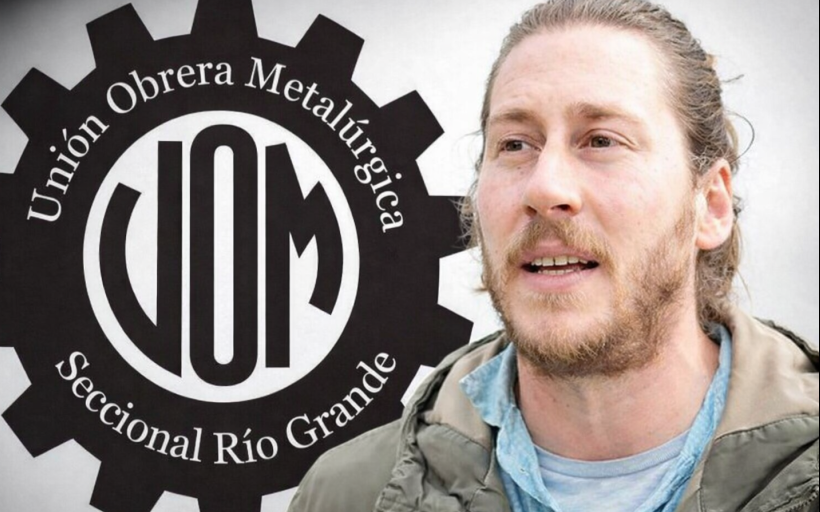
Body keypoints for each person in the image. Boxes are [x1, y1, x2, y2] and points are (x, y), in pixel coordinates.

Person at [287, 0, 819, 510]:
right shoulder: (348, 496)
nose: (544, 188)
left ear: (711, 204)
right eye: (515, 144)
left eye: (601, 140)